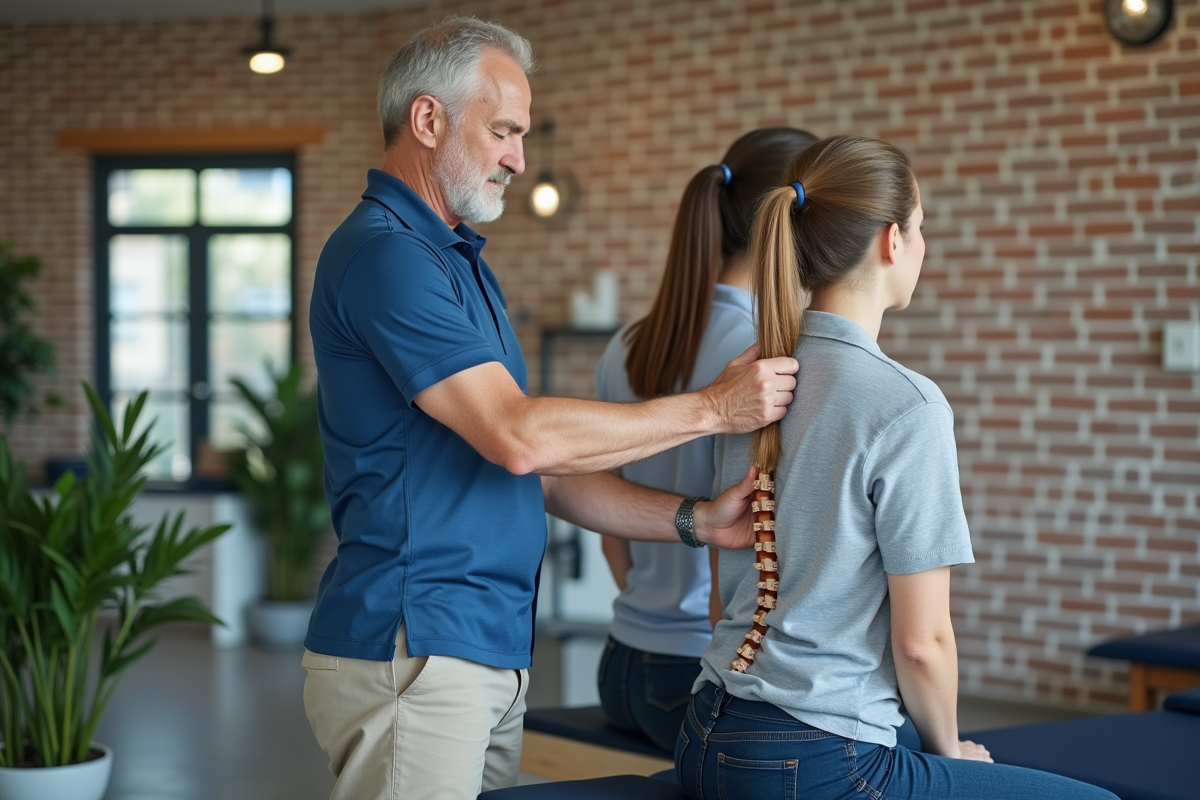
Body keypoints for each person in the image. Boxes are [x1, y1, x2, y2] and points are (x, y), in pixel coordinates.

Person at [302, 16, 799, 800]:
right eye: (503, 131)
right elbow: (517, 438)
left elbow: (546, 475)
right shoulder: (386, 254)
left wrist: (697, 521)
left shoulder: (457, 260)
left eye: (522, 135)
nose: (518, 158)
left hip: (485, 648)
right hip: (419, 643)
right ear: (429, 120)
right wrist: (712, 409)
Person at [676, 135, 1117, 800]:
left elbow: (724, 595)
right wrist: (951, 752)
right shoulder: (907, 406)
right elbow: (922, 642)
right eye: (922, 228)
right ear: (891, 241)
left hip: (704, 732)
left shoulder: (749, 383)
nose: (923, 246)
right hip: (809, 761)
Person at [593, 127, 817, 752]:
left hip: (622, 663)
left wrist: (652, 607)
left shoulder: (629, 342)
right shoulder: (771, 355)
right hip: (695, 673)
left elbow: (609, 516)